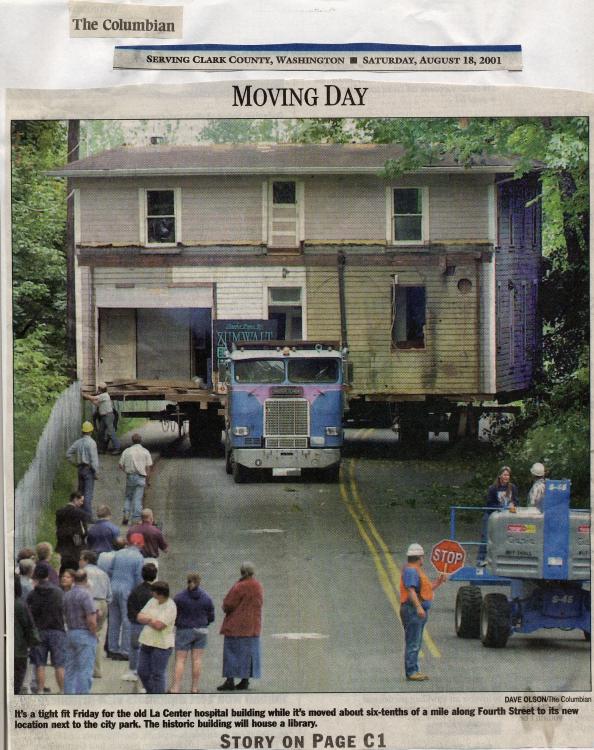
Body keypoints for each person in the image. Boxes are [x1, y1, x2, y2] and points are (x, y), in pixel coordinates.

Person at [399, 543, 447, 681]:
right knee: (413, 641)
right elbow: (411, 590)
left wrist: (438, 582)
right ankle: (412, 671)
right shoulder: (412, 571)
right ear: (419, 557)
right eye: (422, 556)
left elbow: (425, 590)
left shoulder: (415, 570)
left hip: (416, 609)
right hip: (413, 609)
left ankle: (414, 669)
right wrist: (419, 607)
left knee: (416, 640)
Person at [217, 562, 263, 692]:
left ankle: (230, 680)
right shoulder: (258, 586)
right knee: (248, 654)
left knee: (231, 652)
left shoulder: (239, 587)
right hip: (253, 625)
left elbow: (228, 605)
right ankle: (245, 680)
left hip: (236, 626)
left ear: (242, 572)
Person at [170, 572, 215, 693]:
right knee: (197, 660)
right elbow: (211, 616)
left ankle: (176, 688)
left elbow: (173, 613)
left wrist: (177, 623)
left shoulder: (179, 597)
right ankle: (194, 688)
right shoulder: (206, 597)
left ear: (187, 581)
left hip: (184, 630)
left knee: (180, 660)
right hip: (201, 630)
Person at [27, 563, 66, 694]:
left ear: (36, 576)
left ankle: (40, 690)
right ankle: (62, 690)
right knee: (59, 664)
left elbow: (29, 612)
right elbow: (63, 610)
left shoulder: (33, 594)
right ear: (48, 575)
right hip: (57, 630)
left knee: (40, 664)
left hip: (39, 631)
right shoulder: (58, 592)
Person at [106, 534, 145, 660]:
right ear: (139, 544)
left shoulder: (118, 553)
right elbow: (139, 577)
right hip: (127, 589)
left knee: (113, 619)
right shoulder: (139, 557)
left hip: (113, 587)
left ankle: (112, 648)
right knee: (127, 620)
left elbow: (110, 570)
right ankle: (125, 650)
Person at [137, 581, 177, 694]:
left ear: (159, 593)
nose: (151, 593)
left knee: (157, 674)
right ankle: (152, 692)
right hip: (146, 642)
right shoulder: (152, 601)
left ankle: (158, 698)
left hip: (162, 645)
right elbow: (139, 616)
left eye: (153, 591)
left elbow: (159, 625)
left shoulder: (170, 606)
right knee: (142, 671)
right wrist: (151, 620)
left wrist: (148, 619)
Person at [121, 562, 158, 684]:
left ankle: (133, 670)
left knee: (134, 647)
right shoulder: (156, 592)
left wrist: (134, 618)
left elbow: (130, 607)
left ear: (142, 575)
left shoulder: (136, 590)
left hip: (136, 623)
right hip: (151, 625)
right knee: (149, 649)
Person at [63, 570, 98, 694]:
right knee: (85, 670)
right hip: (84, 633)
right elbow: (91, 619)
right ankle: (82, 698)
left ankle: (68, 697)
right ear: (86, 579)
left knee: (70, 669)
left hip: (71, 632)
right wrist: (94, 633)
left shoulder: (67, 595)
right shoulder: (86, 595)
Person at [79, 550, 112, 679]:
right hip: (102, 602)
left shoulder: (82, 573)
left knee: (84, 633)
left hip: (88, 602)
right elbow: (110, 595)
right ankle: (97, 669)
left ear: (86, 560)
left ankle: (84, 667)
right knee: (98, 636)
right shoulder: (103, 573)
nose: (79, 561)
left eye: (81, 559)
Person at [476, 466, 518, 565]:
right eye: (504, 475)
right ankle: (480, 559)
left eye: (508, 475)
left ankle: (505, 560)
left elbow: (516, 500)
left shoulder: (513, 487)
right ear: (500, 476)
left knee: (507, 537)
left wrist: (513, 504)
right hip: (491, 515)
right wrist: (498, 507)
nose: (506, 477)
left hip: (507, 516)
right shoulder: (493, 488)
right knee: (486, 537)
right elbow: (489, 504)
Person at [66, 421, 100, 517]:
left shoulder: (78, 442)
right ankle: (88, 515)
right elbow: (94, 459)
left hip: (80, 468)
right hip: (88, 469)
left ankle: (78, 513)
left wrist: (75, 463)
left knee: (80, 493)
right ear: (91, 431)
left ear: (83, 431)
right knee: (88, 493)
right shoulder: (92, 443)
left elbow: (68, 454)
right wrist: (96, 472)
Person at [118, 434, 153, 525]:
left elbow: (120, 465)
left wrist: (126, 471)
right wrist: (147, 481)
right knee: (138, 498)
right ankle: (136, 519)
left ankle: (126, 515)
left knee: (128, 497)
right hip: (141, 477)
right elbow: (148, 468)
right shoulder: (145, 452)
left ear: (132, 441)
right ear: (141, 441)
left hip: (130, 476)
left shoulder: (127, 451)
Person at [14, 576, 39, 695]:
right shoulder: (19, 604)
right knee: (17, 680)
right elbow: (29, 627)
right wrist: (33, 642)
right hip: (18, 650)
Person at [55, 491, 91, 572]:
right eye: (81, 501)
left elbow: (57, 526)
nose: (82, 503)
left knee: (63, 566)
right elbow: (83, 531)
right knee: (74, 567)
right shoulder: (80, 513)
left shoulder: (59, 512)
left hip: (62, 543)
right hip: (75, 543)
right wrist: (80, 542)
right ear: (75, 499)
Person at [82, 382, 121, 455]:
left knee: (111, 432)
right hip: (104, 416)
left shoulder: (104, 395)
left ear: (100, 389)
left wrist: (84, 395)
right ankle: (101, 449)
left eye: (98, 388)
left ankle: (117, 448)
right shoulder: (103, 396)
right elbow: (97, 403)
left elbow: (93, 398)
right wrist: (90, 399)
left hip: (108, 416)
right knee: (100, 433)